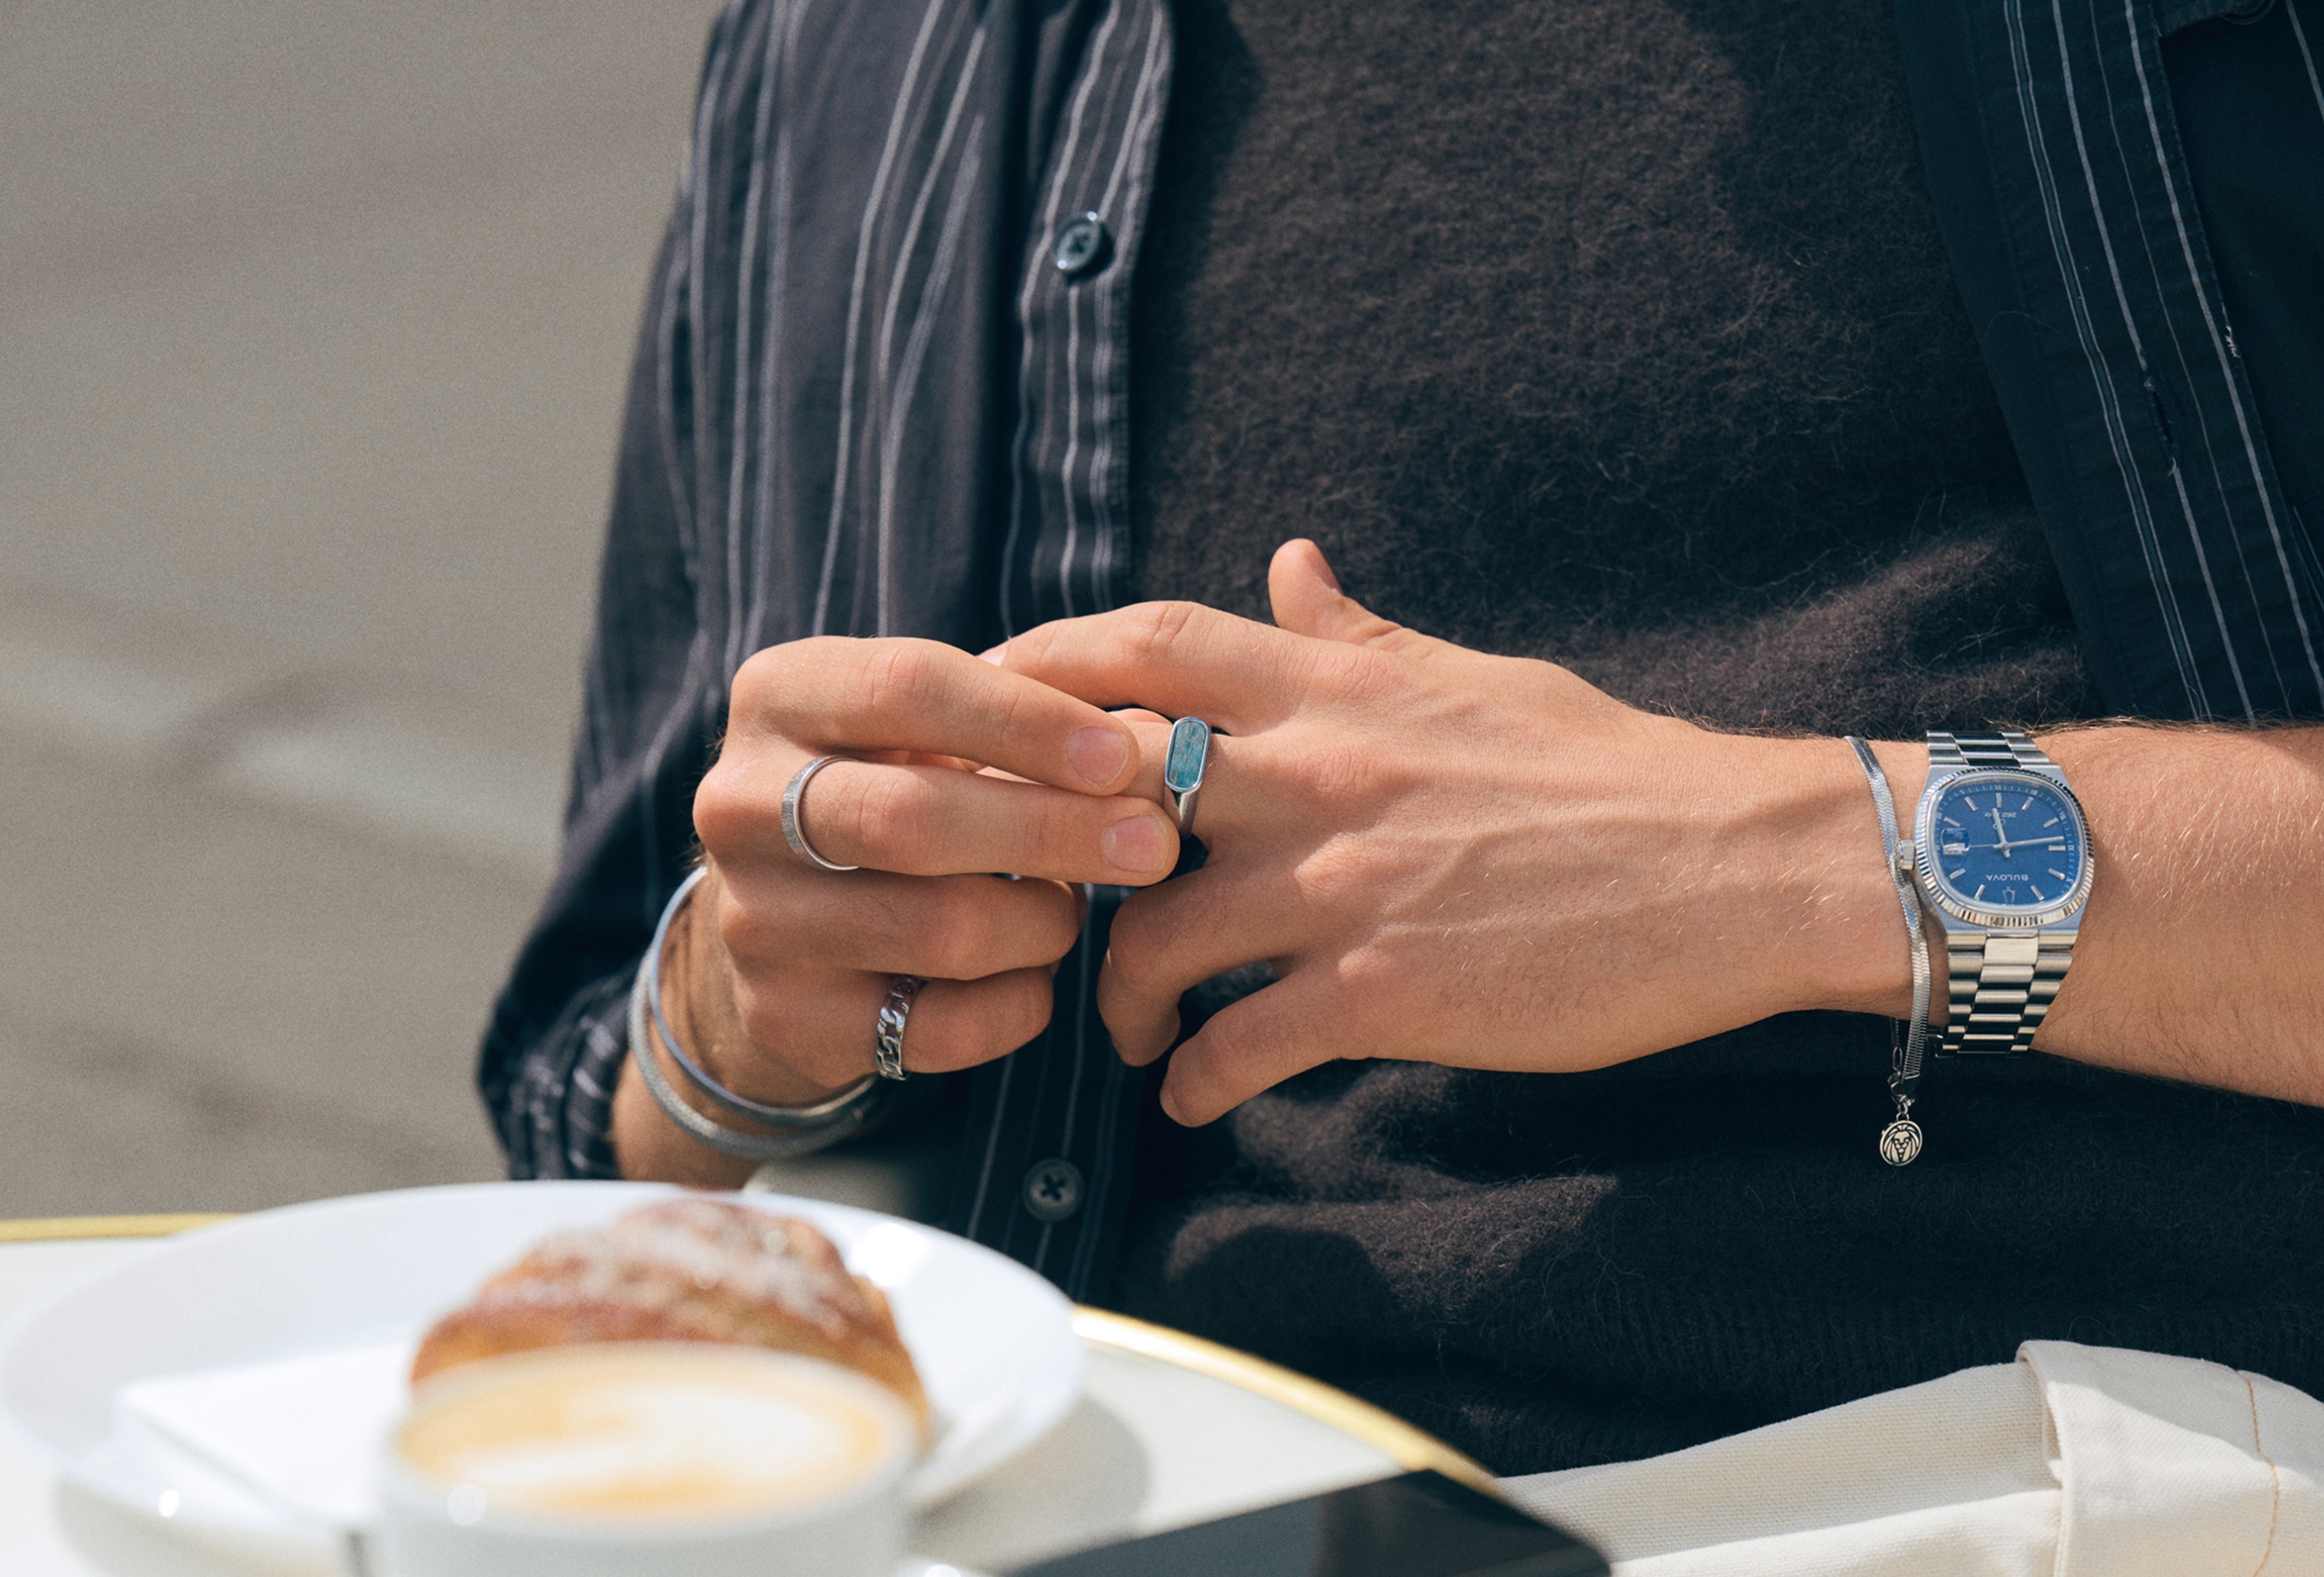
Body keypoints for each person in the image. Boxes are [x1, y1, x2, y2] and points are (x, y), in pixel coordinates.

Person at [483, 0, 2324, 1476]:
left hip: (2052, 1556)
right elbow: (603, 1115)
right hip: (1118, 1549)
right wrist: (747, 1017)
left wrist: (1797, 863)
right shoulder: (861, 46)